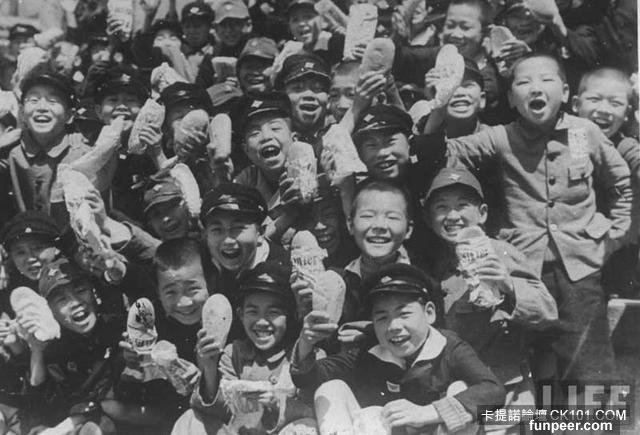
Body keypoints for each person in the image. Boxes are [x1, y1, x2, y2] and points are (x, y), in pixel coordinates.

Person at [445, 53, 632, 403]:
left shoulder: (584, 132)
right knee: (531, 363)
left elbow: (621, 181)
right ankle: (540, 420)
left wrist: (613, 235)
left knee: (589, 362)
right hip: (524, 270)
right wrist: (439, 107)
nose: (535, 88)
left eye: (546, 80)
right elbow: (446, 153)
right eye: (523, 82)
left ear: (565, 92)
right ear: (511, 98)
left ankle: (601, 424)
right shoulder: (501, 137)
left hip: (580, 269)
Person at [291, 263, 506, 435]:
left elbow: (494, 391)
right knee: (332, 389)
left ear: (429, 313)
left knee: (460, 389)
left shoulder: (448, 346)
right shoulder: (371, 350)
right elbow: (310, 378)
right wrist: (306, 344)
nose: (394, 326)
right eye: (382, 317)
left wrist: (428, 412)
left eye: (404, 314)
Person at [422, 167, 558, 431]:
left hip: (505, 382)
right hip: (457, 381)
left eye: (462, 205)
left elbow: (547, 310)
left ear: (482, 213)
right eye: (441, 207)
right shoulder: (433, 263)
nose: (452, 215)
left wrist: (509, 286)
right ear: (429, 219)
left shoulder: (500, 253)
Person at [177, 261, 315, 434]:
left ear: (289, 315)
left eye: (273, 312)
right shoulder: (234, 353)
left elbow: (312, 409)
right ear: (240, 315)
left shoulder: (303, 354)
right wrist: (210, 366)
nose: (262, 322)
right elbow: (218, 412)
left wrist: (278, 405)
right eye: (253, 312)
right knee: (191, 418)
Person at [572, 67, 640, 298]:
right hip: (575, 242)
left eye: (615, 103)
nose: (604, 109)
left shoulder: (625, 146)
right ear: (576, 104)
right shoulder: (569, 139)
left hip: (618, 244)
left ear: (628, 113)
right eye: (594, 99)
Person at [1, 68, 93, 227]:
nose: (42, 107)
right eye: (34, 100)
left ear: (70, 115)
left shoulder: (82, 155)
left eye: (53, 101)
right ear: (21, 113)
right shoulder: (10, 152)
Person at [200, 183, 288, 305]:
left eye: (237, 228)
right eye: (217, 230)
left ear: (260, 233)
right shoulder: (199, 266)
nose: (228, 241)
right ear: (205, 235)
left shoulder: (286, 274)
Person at [275, 53, 331, 148]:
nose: (309, 95)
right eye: (298, 88)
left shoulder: (345, 133)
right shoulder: (274, 142)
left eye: (318, 88)